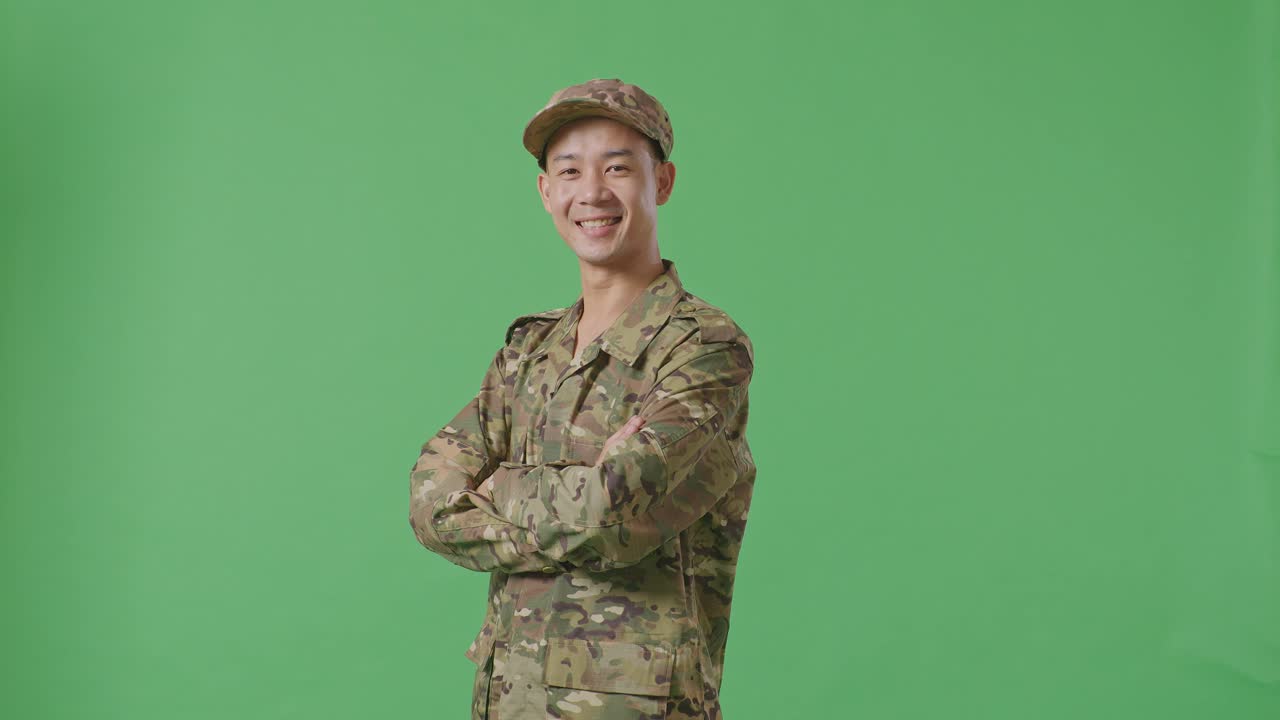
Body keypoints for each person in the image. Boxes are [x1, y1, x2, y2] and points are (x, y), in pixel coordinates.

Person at [408, 77, 756, 720]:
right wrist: (580, 499)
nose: (591, 192)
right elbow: (430, 502)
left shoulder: (705, 349)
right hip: (508, 698)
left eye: (618, 167)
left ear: (664, 182)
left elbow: (610, 514)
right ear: (546, 192)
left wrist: (498, 488)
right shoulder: (529, 351)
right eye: (569, 170)